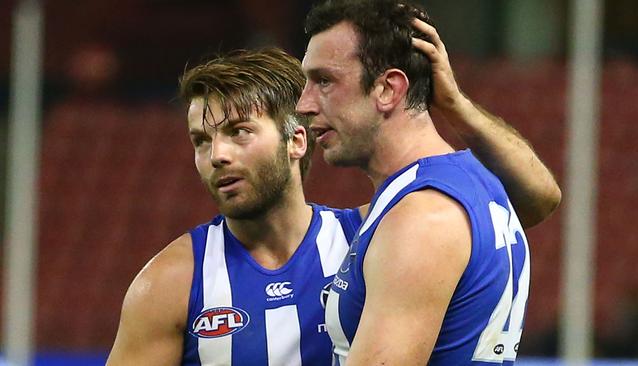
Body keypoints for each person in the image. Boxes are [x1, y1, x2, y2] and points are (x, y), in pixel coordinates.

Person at [107, 42, 559, 366]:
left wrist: (455, 105)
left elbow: (538, 199)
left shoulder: (376, 236)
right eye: (201, 141)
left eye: (239, 132)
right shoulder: (170, 283)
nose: (217, 155)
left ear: (297, 141)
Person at [296, 0, 553, 364]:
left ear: (387, 89)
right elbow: (545, 197)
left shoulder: (421, 218)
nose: (303, 104)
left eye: (324, 81)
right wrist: (453, 103)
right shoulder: (473, 180)